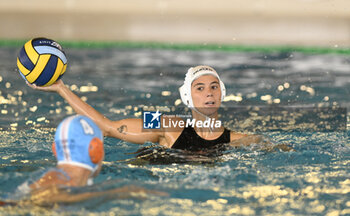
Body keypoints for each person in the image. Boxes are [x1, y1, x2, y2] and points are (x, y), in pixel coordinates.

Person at [27, 65, 283, 151]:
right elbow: (105, 127)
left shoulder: (235, 139)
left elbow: (271, 146)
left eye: (214, 87)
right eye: (200, 88)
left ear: (222, 93)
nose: (209, 93)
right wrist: (61, 88)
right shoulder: (166, 123)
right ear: (187, 96)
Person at [1, 115, 166, 207]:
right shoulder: (55, 179)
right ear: (97, 151)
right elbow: (43, 198)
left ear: (55, 150)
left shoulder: (64, 180)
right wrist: (113, 194)